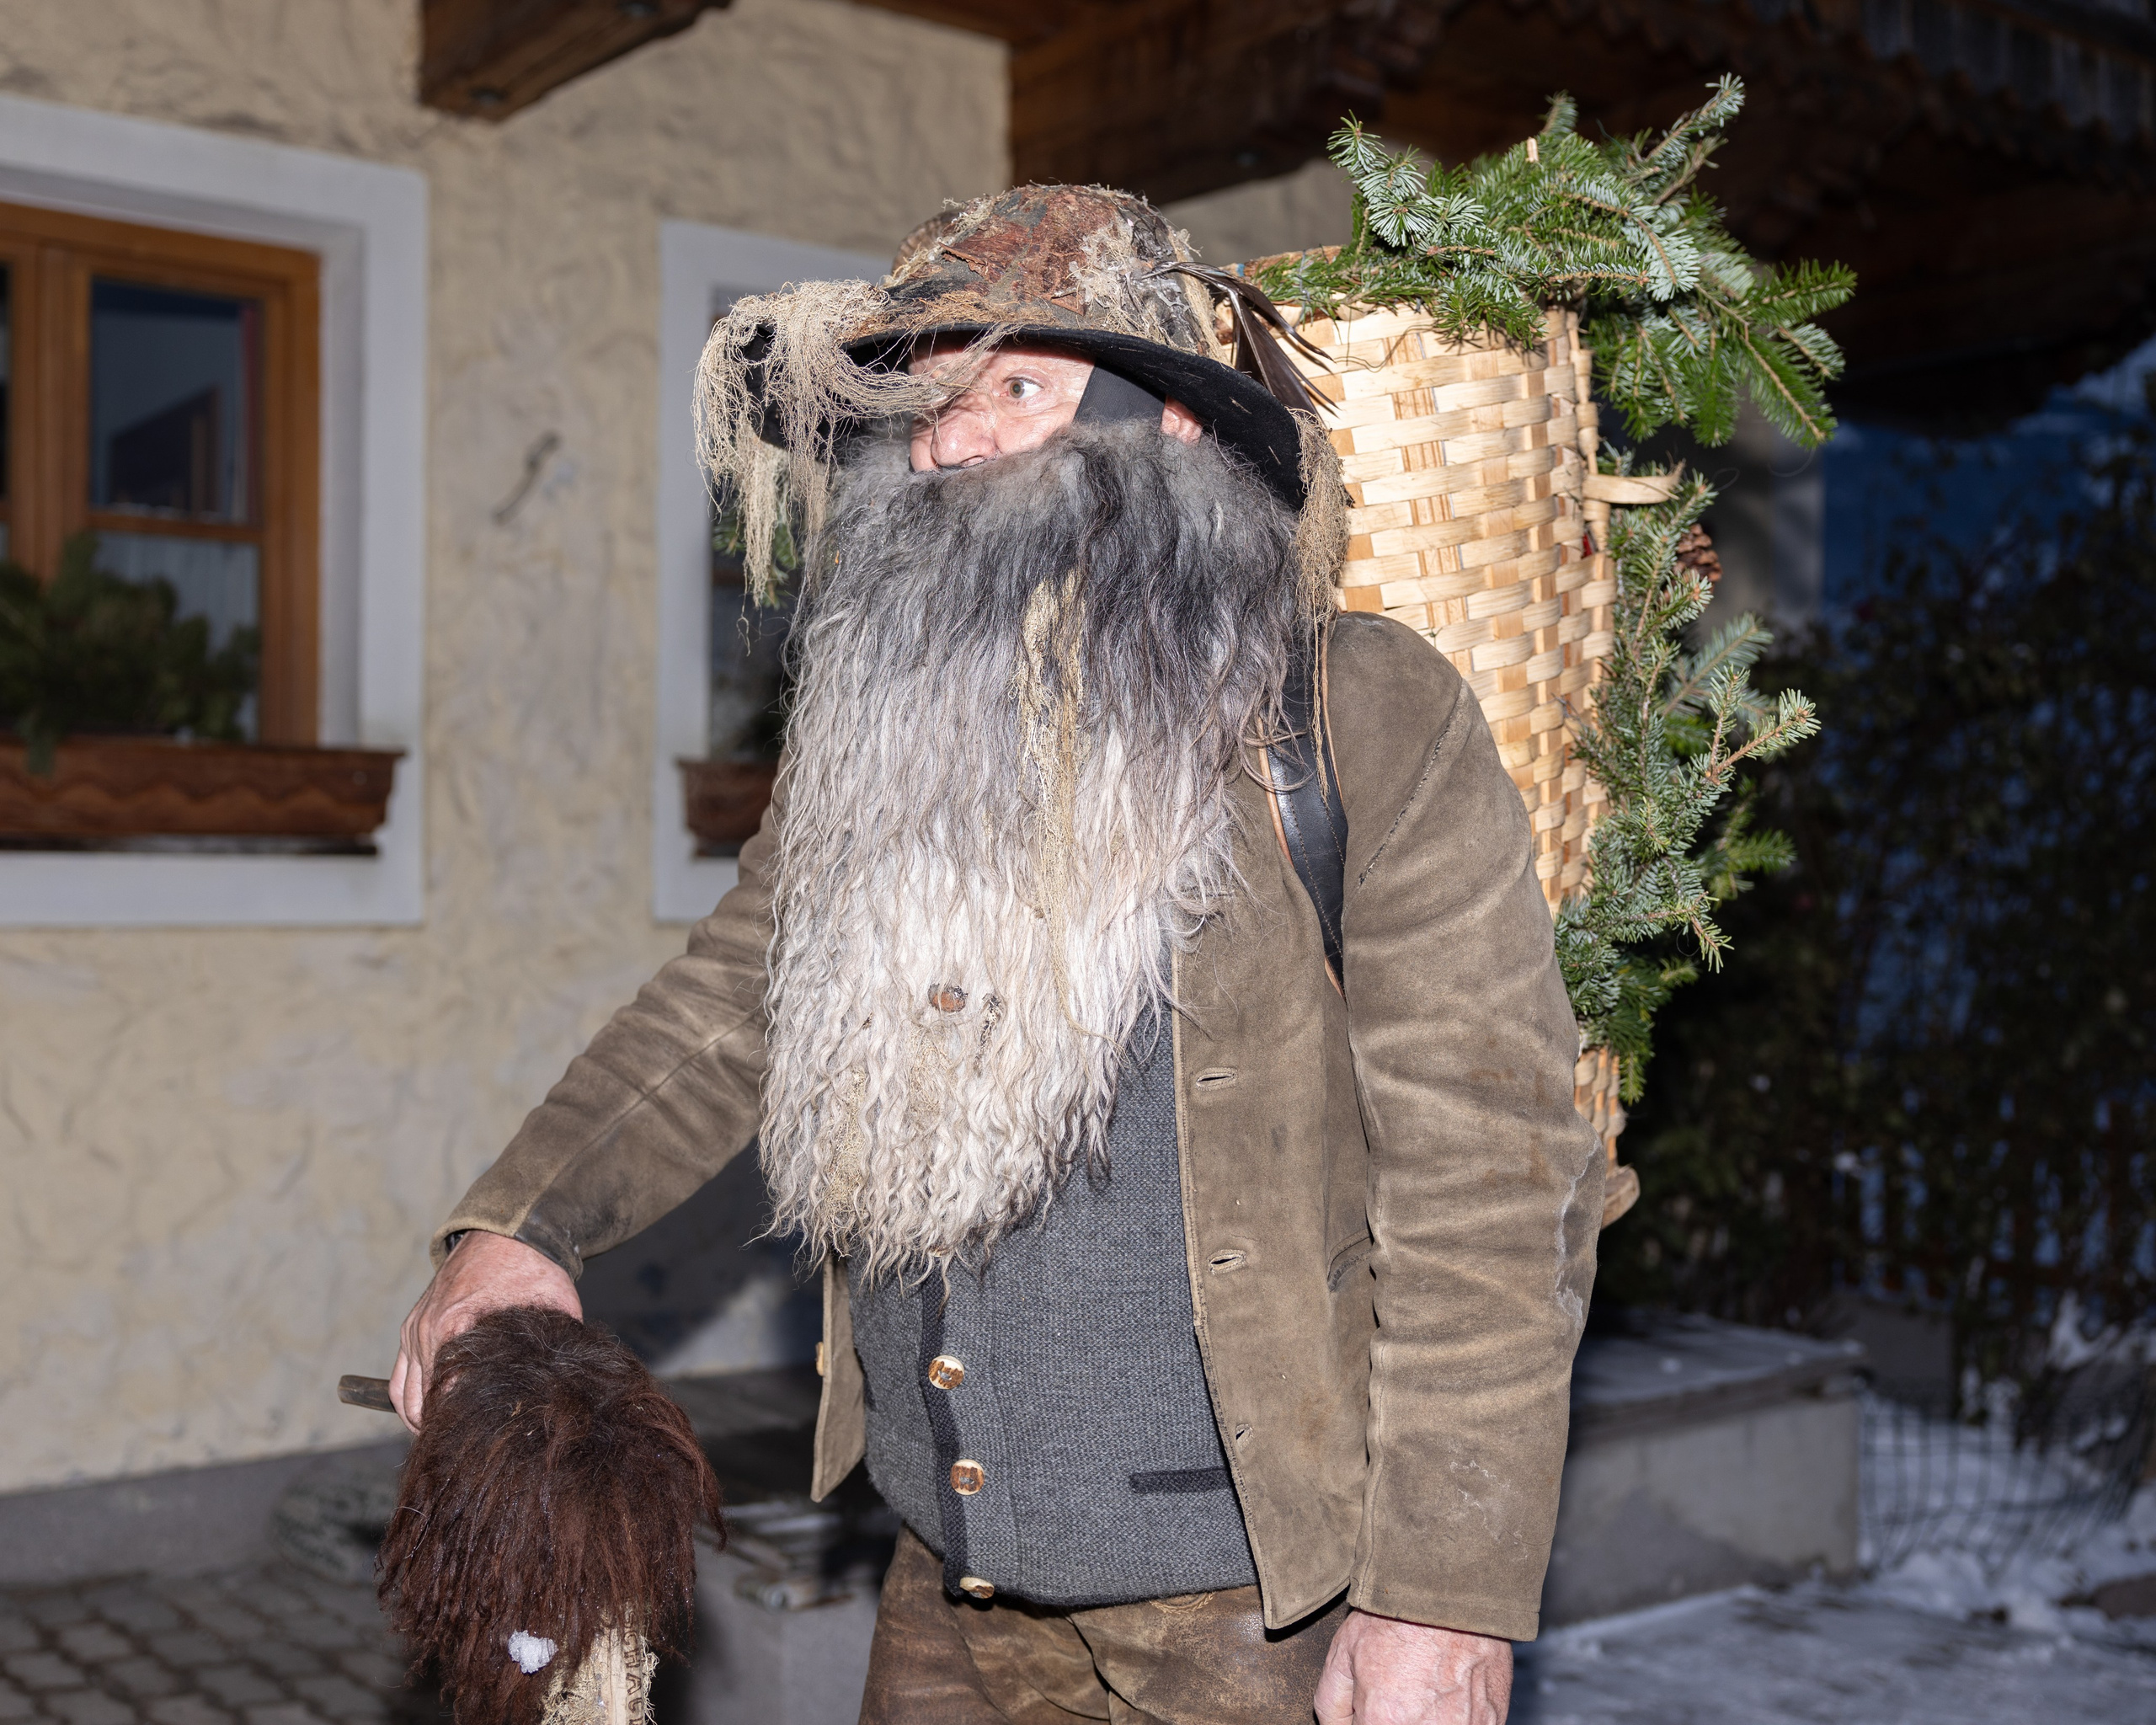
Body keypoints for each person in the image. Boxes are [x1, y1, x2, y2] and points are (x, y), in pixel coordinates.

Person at [392, 184, 1603, 1725]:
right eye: (926, 406)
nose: (953, 443)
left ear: (1171, 420)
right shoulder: (874, 732)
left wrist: (1440, 1594)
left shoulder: (1355, 715)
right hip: (946, 1576)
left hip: (1260, 1613)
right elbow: (728, 1006)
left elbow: (1489, 1175)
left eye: (1017, 388)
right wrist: (519, 1226)